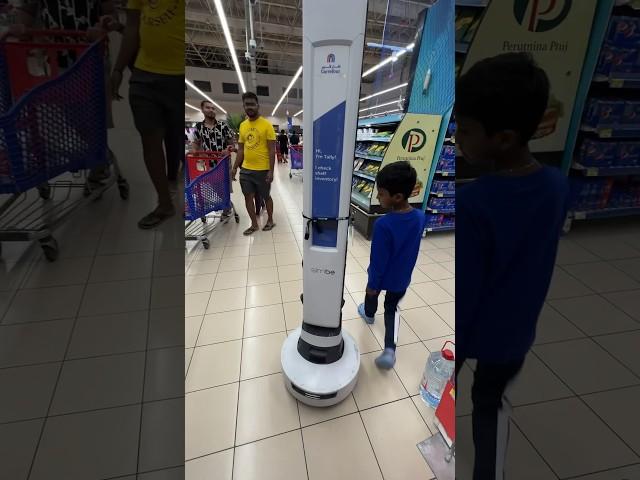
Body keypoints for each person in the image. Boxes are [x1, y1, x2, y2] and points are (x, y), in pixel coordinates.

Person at [455, 52, 569, 480]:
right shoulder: (557, 186)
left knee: (453, 394)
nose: (459, 139)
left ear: (502, 138)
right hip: (517, 333)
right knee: (490, 402)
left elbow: (464, 296)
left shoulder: (474, 204)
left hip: (471, 331)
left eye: (465, 130)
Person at [11, 0, 124, 184]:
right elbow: (28, 9)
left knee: (95, 116)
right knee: (73, 116)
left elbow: (110, 13)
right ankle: (101, 154)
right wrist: (21, 26)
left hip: (91, 55)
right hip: (58, 57)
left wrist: (103, 24)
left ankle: (99, 162)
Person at [111, 0, 184, 229]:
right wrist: (118, 69)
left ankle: (187, 199)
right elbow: (133, 27)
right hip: (144, 77)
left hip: (180, 78)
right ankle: (164, 203)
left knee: (177, 143)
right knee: (150, 142)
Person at [357, 161, 425, 369]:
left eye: (382, 193)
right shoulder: (420, 217)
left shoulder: (383, 225)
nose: (377, 196)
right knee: (392, 308)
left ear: (397, 197)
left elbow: (379, 260)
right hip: (402, 277)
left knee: (371, 295)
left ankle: (368, 314)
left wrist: (373, 283)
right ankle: (389, 349)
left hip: (381, 277)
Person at [231, 92, 276, 235]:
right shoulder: (243, 126)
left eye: (252, 104)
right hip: (246, 169)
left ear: (258, 105)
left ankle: (270, 220)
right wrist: (234, 168)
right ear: (243, 106)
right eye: (246, 104)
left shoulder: (267, 125)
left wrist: (271, 170)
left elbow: (271, 150)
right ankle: (254, 224)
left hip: (262, 170)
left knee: (266, 196)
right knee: (247, 197)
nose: (249, 107)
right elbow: (241, 150)